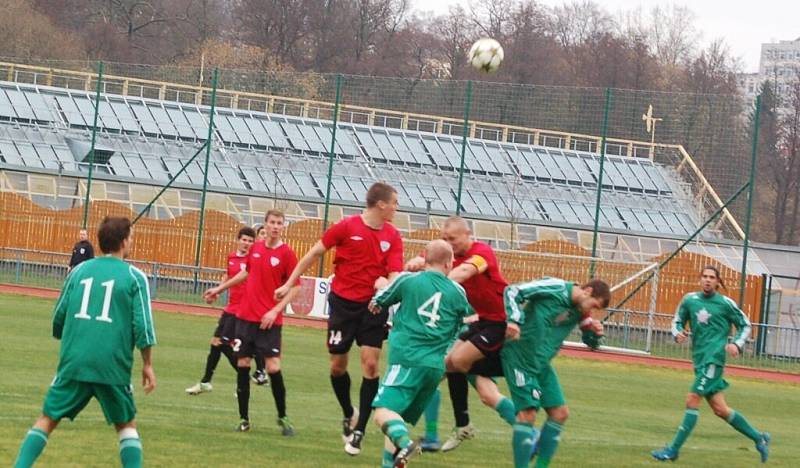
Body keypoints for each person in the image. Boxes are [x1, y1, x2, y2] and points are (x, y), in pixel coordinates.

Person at [14, 216, 156, 468]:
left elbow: (59, 316)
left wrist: (68, 339)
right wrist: (147, 364)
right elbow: (143, 326)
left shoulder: (79, 271)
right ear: (124, 242)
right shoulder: (135, 277)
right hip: (112, 365)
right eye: (130, 237)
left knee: (47, 419)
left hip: (75, 360)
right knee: (126, 425)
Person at [275, 182, 403, 456]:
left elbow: (394, 274)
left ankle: (359, 433)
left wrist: (386, 285)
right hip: (343, 307)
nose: (396, 208)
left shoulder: (393, 235)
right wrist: (289, 283)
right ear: (381, 204)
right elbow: (314, 253)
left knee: (371, 365)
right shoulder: (346, 227)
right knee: (337, 365)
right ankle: (349, 413)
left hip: (373, 308)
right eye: (394, 202)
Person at [406, 216, 515, 451]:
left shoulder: (481, 253)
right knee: (447, 369)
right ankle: (452, 429)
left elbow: (465, 272)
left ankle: (459, 427)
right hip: (482, 322)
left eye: (452, 238)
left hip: (501, 324)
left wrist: (432, 281)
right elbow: (426, 260)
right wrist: (416, 263)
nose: (448, 243)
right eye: (445, 239)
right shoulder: (448, 256)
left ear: (467, 235)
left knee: (454, 364)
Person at [651, 266, 770, 463]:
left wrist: (737, 344)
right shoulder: (690, 300)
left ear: (717, 282)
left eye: (712, 277)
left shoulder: (725, 303)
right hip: (699, 360)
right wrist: (677, 332)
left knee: (692, 399)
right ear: (700, 279)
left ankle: (672, 450)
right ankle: (760, 438)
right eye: (704, 276)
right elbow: (677, 321)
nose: (707, 280)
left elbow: (745, 324)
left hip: (714, 360)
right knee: (721, 410)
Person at [371, 240, 473, 468]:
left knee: (382, 413)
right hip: (434, 367)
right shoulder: (458, 292)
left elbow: (381, 299)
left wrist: (377, 296)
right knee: (395, 417)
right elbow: (460, 324)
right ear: (448, 263)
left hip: (407, 360)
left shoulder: (409, 280)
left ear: (425, 259)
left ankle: (406, 444)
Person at [205, 210, 300, 435]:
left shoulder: (287, 254)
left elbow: (295, 287)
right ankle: (244, 419)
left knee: (273, 367)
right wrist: (218, 289)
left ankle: (283, 417)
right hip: (245, 319)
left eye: (279, 223)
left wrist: (275, 310)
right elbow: (244, 274)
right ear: (265, 225)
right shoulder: (255, 248)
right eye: (272, 223)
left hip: (270, 321)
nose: (275, 226)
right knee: (243, 364)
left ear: (283, 226)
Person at [500, 277, 609, 468]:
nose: (591, 310)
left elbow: (590, 341)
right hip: (520, 357)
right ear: (588, 291)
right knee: (527, 415)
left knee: (560, 413)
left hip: (542, 364)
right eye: (594, 305)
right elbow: (513, 291)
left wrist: (596, 334)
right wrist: (514, 321)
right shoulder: (555, 287)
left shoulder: (582, 312)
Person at [186, 227, 256, 395]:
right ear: (238, 240)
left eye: (250, 241)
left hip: (242, 309)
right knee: (215, 342)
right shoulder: (231, 257)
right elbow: (228, 276)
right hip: (230, 307)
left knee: (223, 344)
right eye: (244, 240)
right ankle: (205, 382)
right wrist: (216, 291)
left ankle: (243, 377)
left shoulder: (252, 260)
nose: (246, 243)